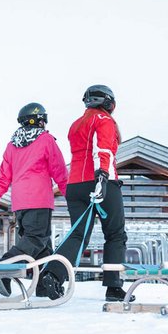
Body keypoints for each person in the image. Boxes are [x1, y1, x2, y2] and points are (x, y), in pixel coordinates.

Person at [40, 85, 129, 302]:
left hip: (76, 185)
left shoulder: (75, 124)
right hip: (101, 181)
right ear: (109, 102)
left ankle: (52, 274)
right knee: (116, 234)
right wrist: (102, 177)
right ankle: (114, 287)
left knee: (78, 235)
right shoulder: (104, 120)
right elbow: (103, 150)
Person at [0, 102, 68, 296]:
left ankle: (44, 286)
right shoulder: (46, 140)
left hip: (20, 204)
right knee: (35, 239)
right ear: (40, 121)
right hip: (39, 200)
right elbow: (59, 172)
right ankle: (4, 268)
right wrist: (72, 198)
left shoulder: (12, 145)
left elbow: (3, 177)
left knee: (43, 246)